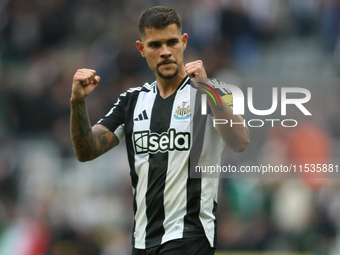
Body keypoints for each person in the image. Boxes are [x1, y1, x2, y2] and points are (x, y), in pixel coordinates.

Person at [70, 6, 249, 255]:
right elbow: (87, 150)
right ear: (141, 49)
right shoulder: (131, 102)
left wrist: (208, 89)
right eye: (155, 45)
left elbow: (240, 141)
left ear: (184, 42)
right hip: (142, 240)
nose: (165, 52)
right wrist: (78, 103)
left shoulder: (213, 92)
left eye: (172, 42)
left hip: (190, 236)